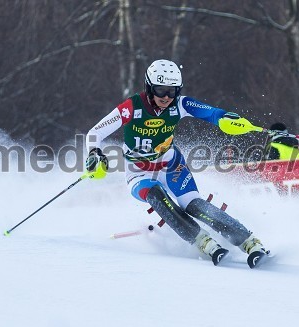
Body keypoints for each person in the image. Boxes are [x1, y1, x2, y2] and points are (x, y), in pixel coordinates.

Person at [84, 59, 269, 268]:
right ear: (149, 87)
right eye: (160, 90)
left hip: (171, 165)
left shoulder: (180, 105)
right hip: (139, 173)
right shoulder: (132, 107)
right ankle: (204, 242)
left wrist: (225, 118)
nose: (165, 97)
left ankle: (250, 242)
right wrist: (94, 153)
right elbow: (95, 133)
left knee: (194, 205)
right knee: (157, 196)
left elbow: (211, 113)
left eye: (171, 92)